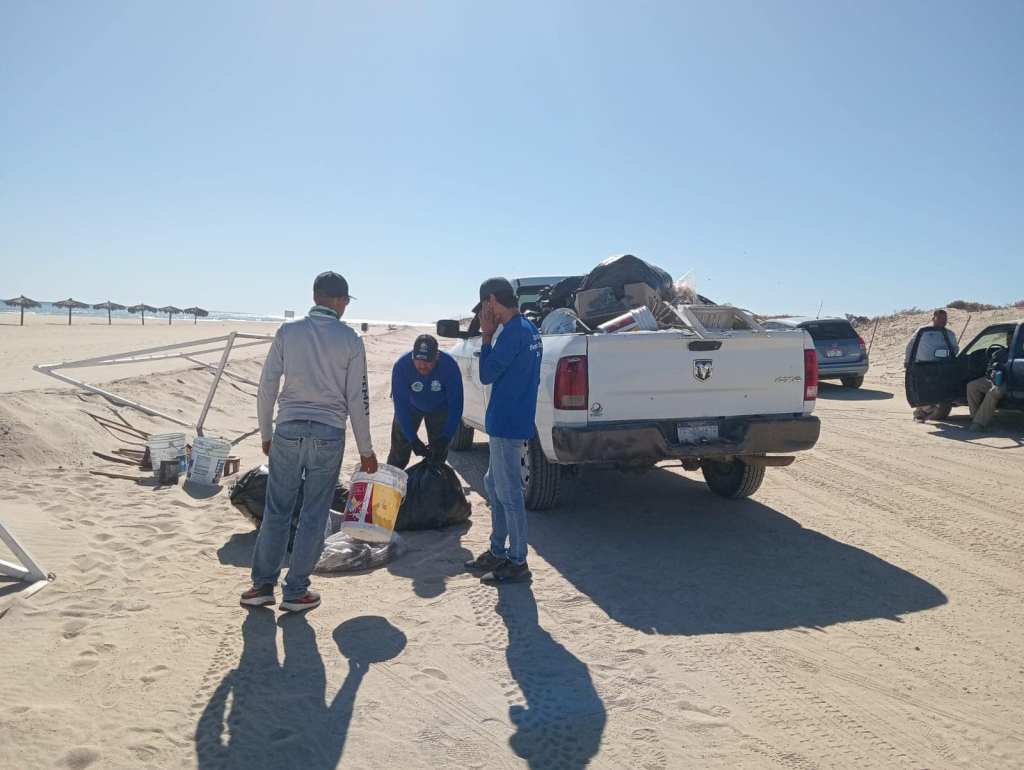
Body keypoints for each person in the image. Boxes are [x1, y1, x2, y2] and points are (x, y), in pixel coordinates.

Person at [241, 271, 378, 613]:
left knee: (277, 509)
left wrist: (266, 434)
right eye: (345, 300)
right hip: (328, 433)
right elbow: (357, 400)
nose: (346, 306)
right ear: (337, 300)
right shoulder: (350, 340)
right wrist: (366, 450)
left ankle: (261, 585)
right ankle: (296, 591)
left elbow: (266, 387)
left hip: (287, 429)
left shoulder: (288, 332)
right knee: (314, 514)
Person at [463, 277, 542, 584]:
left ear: (492, 301)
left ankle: (518, 560)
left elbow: (485, 374)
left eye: (484, 307)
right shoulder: (527, 329)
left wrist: (485, 336)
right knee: (493, 483)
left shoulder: (512, 333)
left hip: (508, 422)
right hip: (510, 419)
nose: (484, 315)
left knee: (508, 493)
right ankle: (498, 550)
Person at [387, 334, 464, 469]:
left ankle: (435, 484)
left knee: (438, 455)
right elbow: (401, 408)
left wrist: (446, 437)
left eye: (428, 361)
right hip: (410, 407)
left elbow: (456, 405)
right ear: (412, 356)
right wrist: (413, 439)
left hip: (440, 408)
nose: (422, 365)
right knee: (398, 454)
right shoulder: (401, 366)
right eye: (418, 360)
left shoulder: (450, 366)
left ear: (437, 356)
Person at [906, 309, 959, 421]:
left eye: (945, 319)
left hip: (943, 367)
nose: (943, 321)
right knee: (924, 391)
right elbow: (910, 345)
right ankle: (921, 412)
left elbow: (955, 349)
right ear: (933, 318)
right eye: (940, 318)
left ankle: (923, 412)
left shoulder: (949, 334)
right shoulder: (923, 331)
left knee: (937, 391)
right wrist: (907, 361)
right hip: (923, 366)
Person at [967, 346, 1009, 432]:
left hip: (1010, 383)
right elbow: (990, 367)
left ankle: (979, 423)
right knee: (972, 386)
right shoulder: (1000, 353)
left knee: (993, 392)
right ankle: (975, 417)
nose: (1009, 339)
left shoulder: (1019, 354)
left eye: (1012, 336)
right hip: (994, 380)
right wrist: (992, 372)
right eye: (1008, 336)